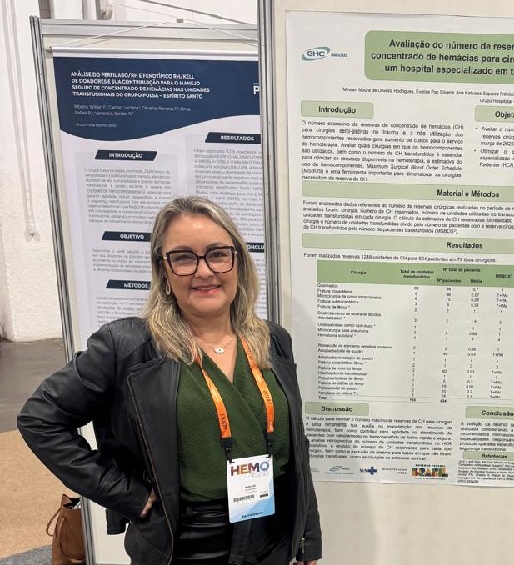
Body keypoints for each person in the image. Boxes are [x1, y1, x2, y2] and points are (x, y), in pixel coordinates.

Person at [18, 196, 321, 565]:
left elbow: (297, 446)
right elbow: (40, 419)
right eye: (183, 258)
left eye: (217, 254)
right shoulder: (128, 347)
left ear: (238, 262)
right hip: (186, 543)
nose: (204, 271)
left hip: (271, 533)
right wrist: (123, 493)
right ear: (163, 271)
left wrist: (307, 537)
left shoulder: (272, 340)